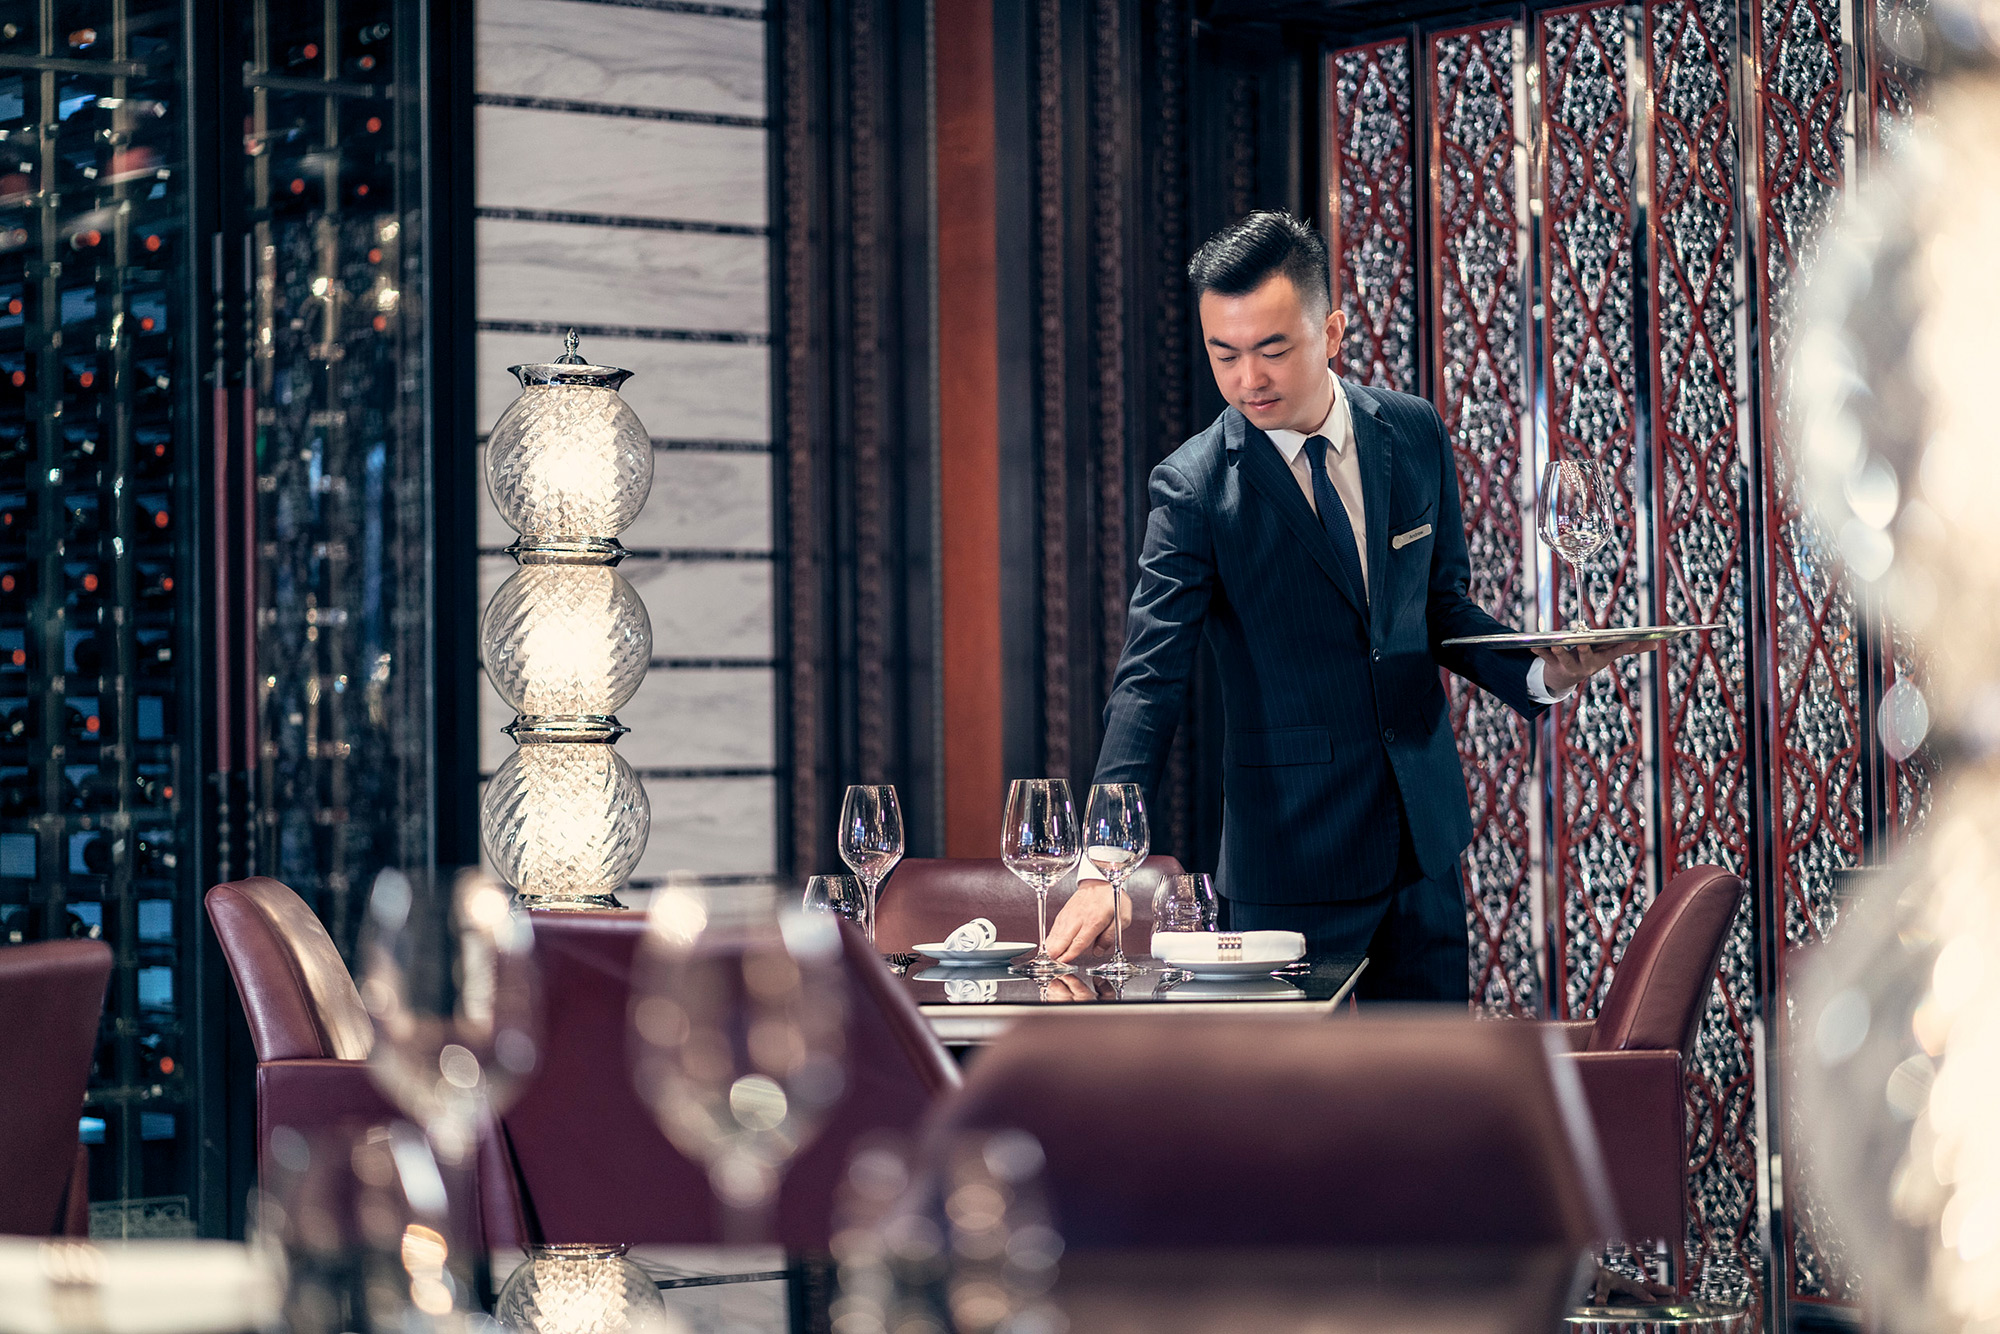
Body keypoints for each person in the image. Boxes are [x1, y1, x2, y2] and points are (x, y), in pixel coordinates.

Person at [1043, 210, 1653, 1001]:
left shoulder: (1412, 431)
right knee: (1297, 1121)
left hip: (1421, 845)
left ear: (1329, 330)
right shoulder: (1194, 488)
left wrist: (1541, 674)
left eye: (1271, 349)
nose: (1247, 381)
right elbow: (1149, 680)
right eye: (1223, 355)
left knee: (1429, 1104)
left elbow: (1440, 608)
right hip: (1289, 862)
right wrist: (1102, 862)